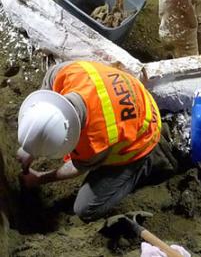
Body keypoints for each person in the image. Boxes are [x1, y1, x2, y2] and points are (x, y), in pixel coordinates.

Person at [16, 60, 177, 222]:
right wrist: (31, 147)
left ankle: (148, 162)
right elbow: (46, 102)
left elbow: (77, 166)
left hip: (144, 135)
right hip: (133, 96)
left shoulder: (96, 140)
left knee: (85, 209)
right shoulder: (64, 73)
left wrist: (40, 178)